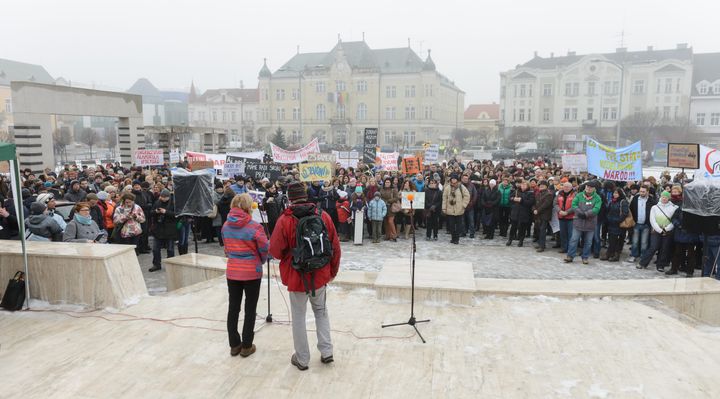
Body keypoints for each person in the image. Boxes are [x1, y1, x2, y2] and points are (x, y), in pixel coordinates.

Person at [269, 181, 341, 371]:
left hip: (297, 276)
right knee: (321, 312)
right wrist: (332, 271)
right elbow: (335, 246)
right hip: (319, 274)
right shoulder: (322, 215)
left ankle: (302, 359)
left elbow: (275, 251)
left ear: (289, 198)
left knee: (299, 317)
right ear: (306, 195)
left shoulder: (285, 220)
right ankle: (327, 352)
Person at [222, 193, 269, 358]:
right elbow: (265, 249)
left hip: (233, 271)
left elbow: (226, 250)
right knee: (250, 309)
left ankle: (234, 344)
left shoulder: (226, 226)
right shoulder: (255, 227)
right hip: (251, 272)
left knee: (233, 307)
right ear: (249, 207)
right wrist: (261, 261)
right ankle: (247, 345)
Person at [638, 191, 677, 271]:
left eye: (666, 197)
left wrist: (666, 229)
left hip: (667, 230)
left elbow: (674, 221)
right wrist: (660, 230)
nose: (664, 198)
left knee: (664, 248)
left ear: (668, 198)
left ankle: (661, 265)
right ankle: (643, 263)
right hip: (656, 230)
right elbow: (652, 220)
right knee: (653, 247)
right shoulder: (655, 207)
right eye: (663, 197)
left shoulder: (674, 207)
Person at [564, 181, 602, 264]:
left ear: (594, 189)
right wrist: (580, 213)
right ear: (585, 187)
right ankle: (570, 256)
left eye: (591, 187)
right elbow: (574, 205)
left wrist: (586, 214)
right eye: (587, 187)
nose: (588, 189)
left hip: (590, 223)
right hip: (578, 222)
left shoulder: (597, 198)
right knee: (574, 240)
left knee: (588, 242)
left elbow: (597, 209)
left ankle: (585, 257)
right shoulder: (579, 195)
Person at [149, 189, 177, 272]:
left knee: (170, 249)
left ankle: (171, 264)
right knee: (155, 249)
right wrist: (156, 212)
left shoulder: (173, 202)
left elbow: (176, 215)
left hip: (170, 229)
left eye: (165, 197)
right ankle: (156, 264)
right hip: (158, 229)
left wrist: (166, 212)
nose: (163, 198)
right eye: (161, 197)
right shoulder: (157, 202)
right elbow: (151, 213)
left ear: (168, 197)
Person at [628, 186, 656, 262]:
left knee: (644, 242)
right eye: (640, 191)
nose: (642, 193)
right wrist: (633, 220)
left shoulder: (651, 201)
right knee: (635, 241)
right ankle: (634, 255)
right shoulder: (635, 199)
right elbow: (631, 209)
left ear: (647, 192)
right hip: (636, 223)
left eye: (643, 191)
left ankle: (643, 256)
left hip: (646, 224)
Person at [602, 188, 629, 262]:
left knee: (618, 240)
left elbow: (625, 213)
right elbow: (608, 211)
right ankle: (609, 253)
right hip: (611, 223)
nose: (615, 194)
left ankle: (616, 255)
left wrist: (617, 221)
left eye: (616, 193)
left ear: (620, 194)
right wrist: (608, 218)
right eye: (614, 193)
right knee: (611, 239)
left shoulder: (623, 202)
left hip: (619, 224)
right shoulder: (611, 201)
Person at [442, 174, 470, 245]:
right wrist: (444, 208)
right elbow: (444, 198)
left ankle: (456, 239)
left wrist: (463, 205)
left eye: (455, 179)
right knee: (451, 226)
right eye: (452, 179)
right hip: (450, 209)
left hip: (459, 209)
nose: (453, 180)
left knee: (458, 226)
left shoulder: (461, 187)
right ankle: (453, 237)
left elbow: (467, 196)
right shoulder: (447, 187)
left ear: (457, 180)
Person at [507, 181, 535, 247]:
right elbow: (509, 198)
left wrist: (521, 200)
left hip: (524, 213)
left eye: (524, 185)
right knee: (513, 227)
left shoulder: (530, 193)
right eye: (522, 185)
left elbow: (530, 202)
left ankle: (521, 241)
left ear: (527, 186)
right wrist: (513, 199)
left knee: (522, 228)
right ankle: (510, 240)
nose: (523, 186)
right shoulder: (516, 191)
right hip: (515, 212)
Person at [532, 180, 553, 252]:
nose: (541, 187)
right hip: (537, 215)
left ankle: (542, 246)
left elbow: (546, 205)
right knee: (538, 229)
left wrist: (538, 210)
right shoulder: (538, 194)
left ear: (546, 186)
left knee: (542, 230)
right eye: (540, 185)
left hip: (544, 215)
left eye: (543, 186)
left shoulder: (549, 194)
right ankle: (539, 243)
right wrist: (534, 209)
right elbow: (534, 203)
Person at [556, 182, 575, 254]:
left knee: (571, 234)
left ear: (571, 187)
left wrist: (567, 212)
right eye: (564, 186)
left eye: (568, 187)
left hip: (571, 218)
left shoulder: (575, 194)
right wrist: (559, 210)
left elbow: (575, 205)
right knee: (563, 234)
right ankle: (564, 247)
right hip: (561, 216)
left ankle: (571, 249)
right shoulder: (559, 194)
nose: (566, 188)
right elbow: (555, 203)